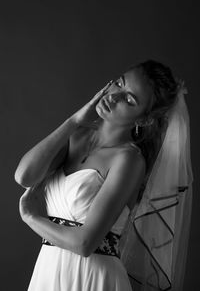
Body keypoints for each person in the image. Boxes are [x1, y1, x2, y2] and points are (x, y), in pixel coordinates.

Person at [15, 60, 193, 291]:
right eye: (119, 83)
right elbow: (24, 176)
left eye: (129, 99)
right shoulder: (76, 137)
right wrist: (74, 121)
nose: (115, 96)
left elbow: (85, 244)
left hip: (92, 277)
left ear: (144, 119)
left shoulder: (128, 160)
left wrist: (30, 217)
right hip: (49, 269)